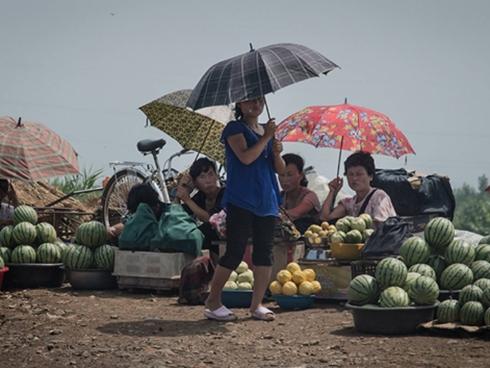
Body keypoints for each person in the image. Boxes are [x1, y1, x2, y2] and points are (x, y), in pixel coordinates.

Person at [204, 96, 286, 322]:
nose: (255, 105)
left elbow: (280, 169)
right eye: (249, 100)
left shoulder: (265, 130)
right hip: (241, 198)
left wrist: (276, 150)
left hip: (267, 198)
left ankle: (256, 304)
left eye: (259, 100)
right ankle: (213, 300)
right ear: (239, 104)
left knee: (264, 252)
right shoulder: (234, 128)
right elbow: (246, 157)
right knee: (234, 251)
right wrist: (267, 137)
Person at [320, 151, 396, 227]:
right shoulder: (349, 203)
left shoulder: (379, 197)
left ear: (370, 176)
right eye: (350, 174)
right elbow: (325, 219)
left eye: (359, 174)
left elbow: (381, 226)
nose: (354, 178)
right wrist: (332, 192)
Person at [176, 157, 225, 256]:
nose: (208, 180)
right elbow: (178, 215)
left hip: (229, 237)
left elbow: (210, 219)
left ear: (216, 176)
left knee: (202, 231)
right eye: (202, 177)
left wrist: (187, 199)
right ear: (195, 183)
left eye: (211, 174)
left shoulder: (225, 194)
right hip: (213, 241)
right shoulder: (200, 197)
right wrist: (180, 193)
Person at [278, 153, 321, 233]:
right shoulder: (279, 196)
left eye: (289, 175)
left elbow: (295, 214)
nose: (285, 180)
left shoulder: (310, 196)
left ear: (301, 175)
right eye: (282, 175)